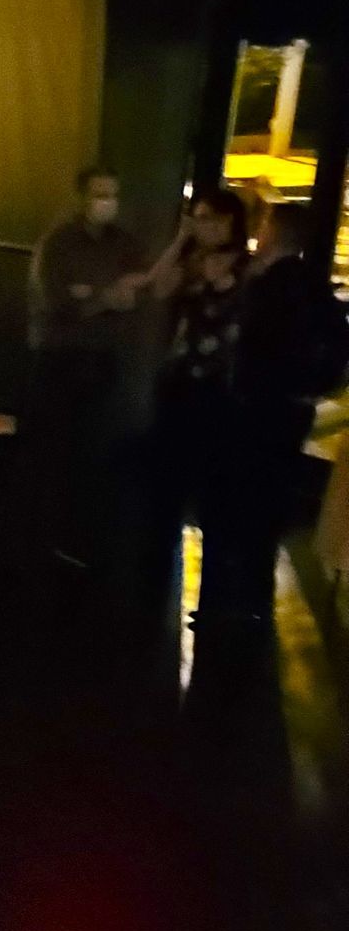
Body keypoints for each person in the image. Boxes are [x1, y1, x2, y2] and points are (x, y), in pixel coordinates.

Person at [211, 203, 349, 626]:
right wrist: (317, 386)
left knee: (243, 496)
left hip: (256, 406)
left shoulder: (267, 284)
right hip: (290, 410)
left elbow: (245, 345)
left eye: (267, 223)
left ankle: (236, 600)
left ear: (277, 231)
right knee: (271, 500)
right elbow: (341, 339)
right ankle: (257, 596)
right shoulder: (312, 285)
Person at [27, 165, 150, 569]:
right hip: (61, 358)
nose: (106, 203)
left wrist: (97, 298)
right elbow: (55, 304)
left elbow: (138, 290)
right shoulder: (59, 244)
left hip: (104, 358)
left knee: (95, 449)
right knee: (58, 448)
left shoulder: (124, 243)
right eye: (99, 195)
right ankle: (49, 539)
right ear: (81, 198)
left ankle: (82, 538)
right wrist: (103, 300)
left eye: (111, 195)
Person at [143, 186, 253, 614]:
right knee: (166, 488)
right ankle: (154, 589)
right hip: (180, 382)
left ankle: (214, 599)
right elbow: (156, 286)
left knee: (215, 495)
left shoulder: (247, 270)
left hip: (220, 391)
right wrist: (179, 240)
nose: (202, 225)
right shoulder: (191, 263)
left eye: (209, 218)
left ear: (229, 222)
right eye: (198, 217)